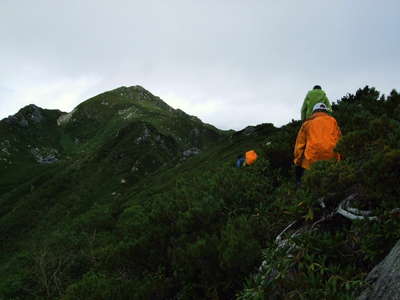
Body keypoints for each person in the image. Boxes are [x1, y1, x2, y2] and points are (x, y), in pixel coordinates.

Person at [294, 103, 341, 185]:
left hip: (312, 159)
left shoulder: (307, 124)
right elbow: (339, 139)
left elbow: (300, 146)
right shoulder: (333, 121)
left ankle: (302, 189)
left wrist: (298, 162)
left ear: (313, 112)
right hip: (332, 157)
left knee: (301, 176)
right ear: (326, 111)